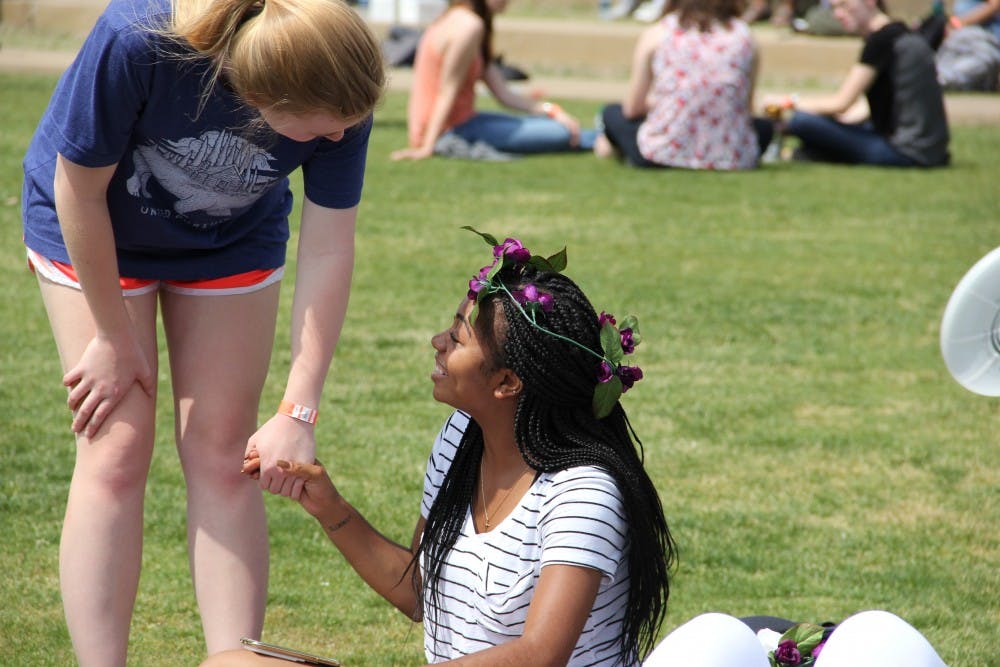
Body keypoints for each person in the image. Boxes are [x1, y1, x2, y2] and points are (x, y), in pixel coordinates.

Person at [19, 0, 385, 663]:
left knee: (225, 452)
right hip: (93, 227)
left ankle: (235, 659)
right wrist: (111, 336)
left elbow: (330, 247)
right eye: (323, 129)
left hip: (230, 241)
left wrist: (298, 408)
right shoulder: (138, 38)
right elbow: (76, 189)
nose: (338, 139)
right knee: (116, 446)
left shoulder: (339, 91)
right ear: (256, 94)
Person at [203, 229, 678, 665]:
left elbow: (540, 655)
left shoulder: (582, 493)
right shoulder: (461, 439)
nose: (436, 342)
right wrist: (330, 507)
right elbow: (418, 592)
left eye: (456, 338)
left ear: (507, 382)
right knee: (230, 664)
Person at [390, 0, 598, 161]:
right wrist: (427, 146)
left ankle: (603, 136)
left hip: (465, 121)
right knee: (561, 133)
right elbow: (447, 91)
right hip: (450, 130)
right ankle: (606, 137)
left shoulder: (459, 18)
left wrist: (553, 110)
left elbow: (505, 95)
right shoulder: (469, 26)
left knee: (554, 125)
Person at [594, 0, 775, 170]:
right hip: (733, 155)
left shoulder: (660, 32)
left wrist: (664, 103)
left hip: (661, 154)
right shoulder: (744, 36)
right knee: (765, 127)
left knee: (611, 113)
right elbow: (746, 108)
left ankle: (612, 145)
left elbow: (632, 109)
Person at [773, 0, 950, 166]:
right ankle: (808, 154)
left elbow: (840, 103)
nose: (838, 14)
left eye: (844, 5)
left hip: (905, 152)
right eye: (834, 8)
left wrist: (787, 102)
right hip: (933, 152)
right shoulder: (902, 33)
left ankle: (806, 152)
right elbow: (873, 108)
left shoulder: (881, 41)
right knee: (827, 127)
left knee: (801, 122)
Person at [935, 0, 1000, 91]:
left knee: (951, 77)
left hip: (981, 40)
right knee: (941, 71)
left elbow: (995, 4)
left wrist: (958, 23)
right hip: (958, 38)